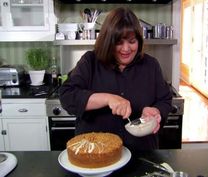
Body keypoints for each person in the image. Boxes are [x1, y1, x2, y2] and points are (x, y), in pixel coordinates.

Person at [59, 7, 172, 152]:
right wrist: (108, 98)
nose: (126, 49)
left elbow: (165, 99)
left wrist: (156, 111)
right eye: (119, 42)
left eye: (132, 41)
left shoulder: (151, 65)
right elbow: (67, 96)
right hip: (96, 154)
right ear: (108, 41)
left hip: (141, 153)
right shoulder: (90, 61)